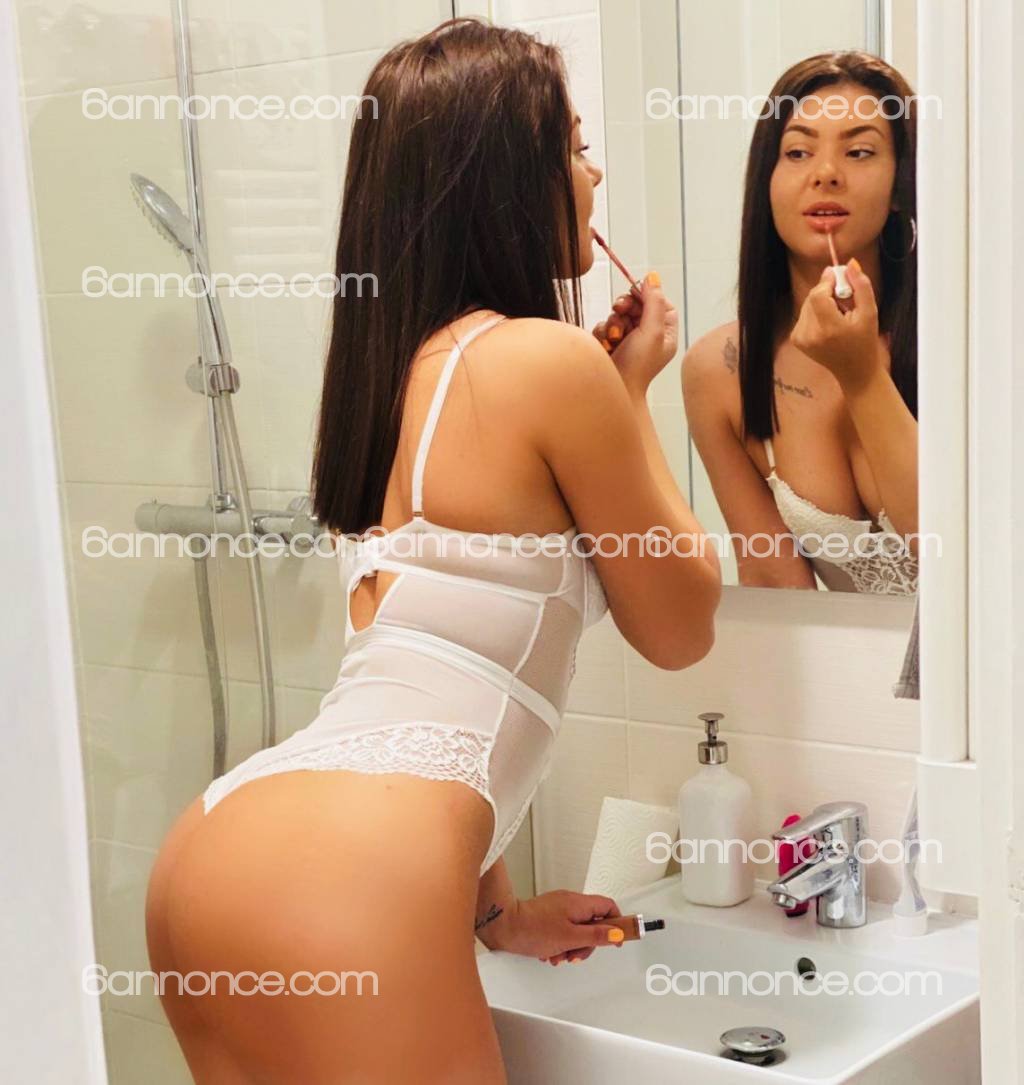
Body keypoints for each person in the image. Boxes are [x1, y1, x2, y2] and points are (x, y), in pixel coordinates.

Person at [145, 18, 720, 1083]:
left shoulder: (382, 382)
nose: (593, 175)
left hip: (218, 852)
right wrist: (633, 391)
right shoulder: (549, 361)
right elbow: (682, 624)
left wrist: (494, 913)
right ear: (509, 178)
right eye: (575, 147)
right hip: (354, 874)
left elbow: (423, 670)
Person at [681, 52, 919, 592]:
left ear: (900, 185)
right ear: (766, 181)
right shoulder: (721, 372)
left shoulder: (969, 340)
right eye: (797, 152)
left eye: (859, 152)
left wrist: (863, 378)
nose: (825, 173)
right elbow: (773, 583)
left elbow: (967, 557)